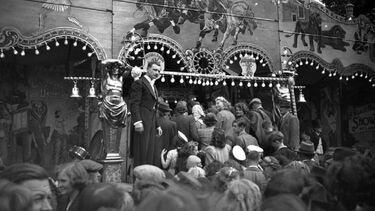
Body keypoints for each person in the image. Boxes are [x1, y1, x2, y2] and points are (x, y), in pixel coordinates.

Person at [130, 59, 163, 167]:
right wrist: (137, 121)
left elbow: (154, 108)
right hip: (142, 121)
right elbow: (134, 103)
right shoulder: (139, 83)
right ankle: (139, 180)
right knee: (141, 153)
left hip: (151, 123)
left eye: (159, 71)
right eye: (154, 70)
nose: (157, 73)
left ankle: (146, 179)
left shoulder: (154, 87)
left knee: (149, 153)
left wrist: (157, 125)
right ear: (147, 69)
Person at [156, 101, 177, 168]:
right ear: (167, 112)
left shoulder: (153, 123)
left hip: (153, 154)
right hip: (167, 154)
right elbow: (174, 141)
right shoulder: (172, 124)